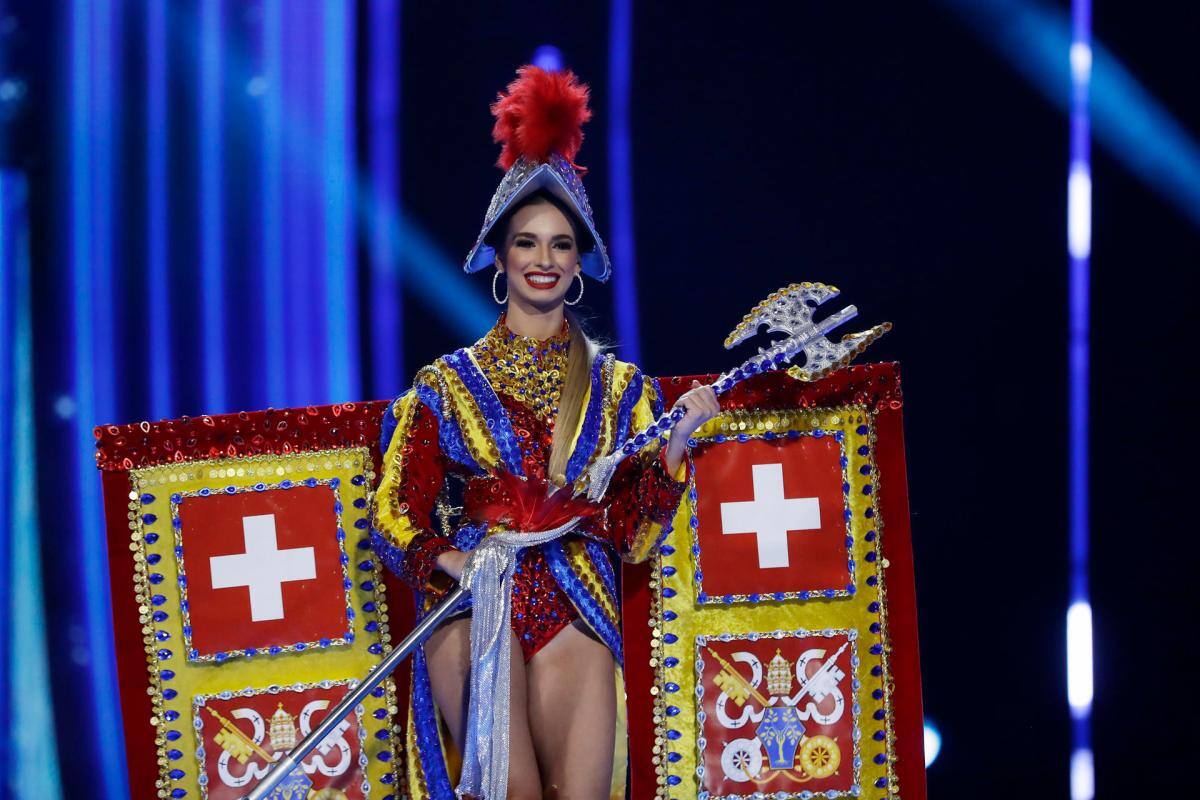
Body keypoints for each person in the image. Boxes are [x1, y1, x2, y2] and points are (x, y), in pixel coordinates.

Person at [371, 65, 719, 800]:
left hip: (575, 599)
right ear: (501, 259)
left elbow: (634, 538)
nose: (544, 259)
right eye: (527, 243)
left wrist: (675, 448)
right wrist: (458, 565)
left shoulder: (623, 392)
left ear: (579, 263)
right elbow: (394, 513)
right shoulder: (444, 387)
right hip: (477, 607)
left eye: (561, 245)